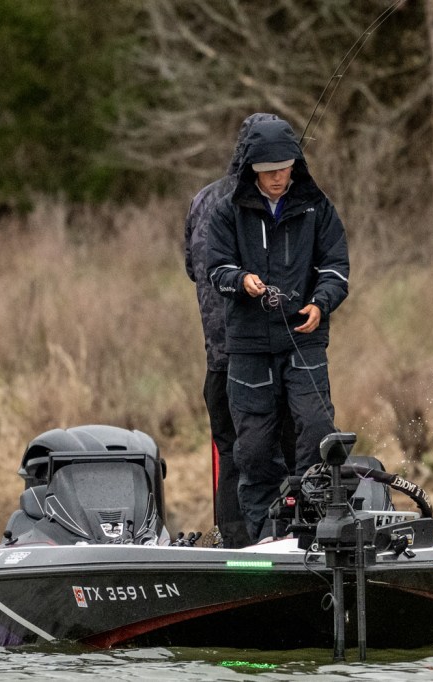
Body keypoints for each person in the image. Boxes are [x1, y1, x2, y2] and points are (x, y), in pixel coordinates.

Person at [207, 117, 350, 542]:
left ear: (294, 165)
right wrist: (241, 281)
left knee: (317, 428)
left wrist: (320, 303)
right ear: (252, 169)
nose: (276, 178)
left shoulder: (318, 208)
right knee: (252, 449)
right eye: (268, 171)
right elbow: (215, 269)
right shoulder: (226, 210)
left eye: (284, 169)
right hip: (248, 347)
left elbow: (336, 268)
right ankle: (266, 533)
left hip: (304, 339)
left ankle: (311, 523)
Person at [184, 113, 295, 549]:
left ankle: (234, 548)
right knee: (280, 453)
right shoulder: (265, 203)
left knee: (232, 454)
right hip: (263, 358)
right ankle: (281, 541)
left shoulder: (201, 199)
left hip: (217, 360)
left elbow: (193, 268)